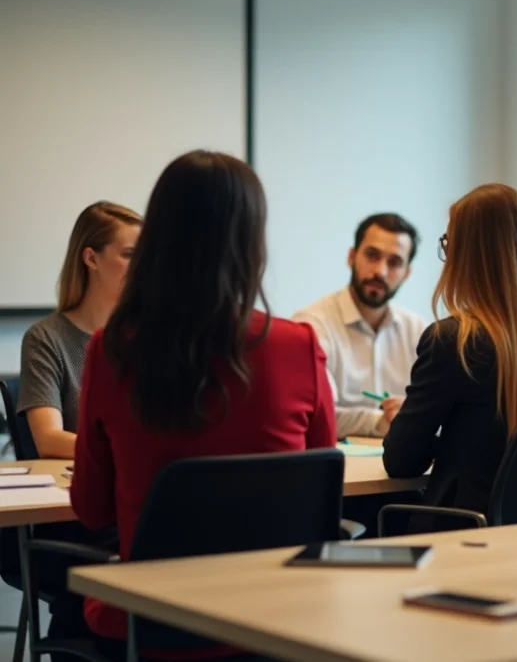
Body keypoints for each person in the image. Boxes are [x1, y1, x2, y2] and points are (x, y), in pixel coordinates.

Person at [65, 151, 336, 652]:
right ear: (251, 242)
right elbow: (321, 490)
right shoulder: (297, 345)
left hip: (155, 612)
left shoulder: (112, 350)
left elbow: (91, 509)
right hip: (277, 613)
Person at [383, 184, 517, 515]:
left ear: (465, 255)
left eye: (448, 243)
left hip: (466, 540)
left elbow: (401, 461)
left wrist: (415, 424)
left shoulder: (453, 341)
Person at [18, 202, 142, 458]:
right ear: (91, 258)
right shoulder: (45, 339)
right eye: (129, 255)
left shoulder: (146, 335)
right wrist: (130, 453)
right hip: (79, 484)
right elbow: (49, 440)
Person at [295, 213, 427, 438]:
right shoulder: (310, 327)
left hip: (404, 470)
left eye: (394, 262)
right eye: (372, 255)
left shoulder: (418, 331)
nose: (380, 271)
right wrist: (382, 421)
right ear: (351, 257)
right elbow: (312, 417)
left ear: (407, 273)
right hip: (339, 469)